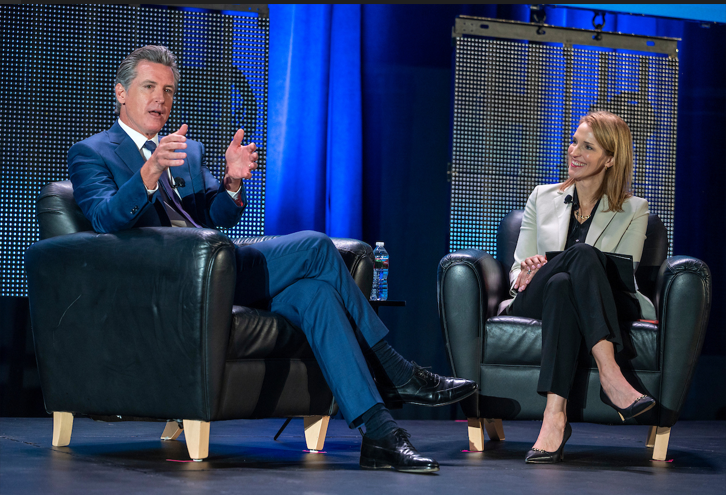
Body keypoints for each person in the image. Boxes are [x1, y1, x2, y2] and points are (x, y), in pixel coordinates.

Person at [67, 45, 477, 473]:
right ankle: (396, 371)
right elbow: (103, 218)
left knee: (317, 294)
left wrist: (229, 181)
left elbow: (211, 213)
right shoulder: (93, 152)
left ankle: (381, 435)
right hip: (173, 281)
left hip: (216, 270)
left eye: (168, 91)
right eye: (149, 87)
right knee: (316, 246)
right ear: (120, 92)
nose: (161, 99)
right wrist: (148, 172)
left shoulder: (186, 149)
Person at [504, 111, 656, 464]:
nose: (574, 151)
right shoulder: (542, 197)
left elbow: (622, 272)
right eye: (574, 141)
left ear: (610, 159)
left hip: (601, 299)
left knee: (563, 281)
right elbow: (517, 266)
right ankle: (611, 375)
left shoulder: (634, 209)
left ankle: (554, 417)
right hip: (533, 297)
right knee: (566, 268)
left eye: (588, 146)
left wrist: (560, 267)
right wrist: (523, 275)